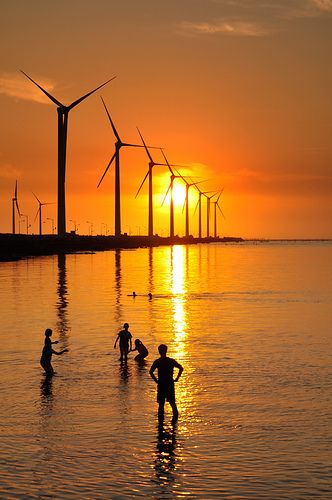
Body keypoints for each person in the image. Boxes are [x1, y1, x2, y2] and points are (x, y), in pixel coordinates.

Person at [149, 344, 183, 421]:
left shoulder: (157, 362)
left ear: (159, 351)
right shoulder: (171, 361)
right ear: (166, 351)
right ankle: (175, 426)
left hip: (161, 384)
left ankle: (160, 426)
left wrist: (156, 381)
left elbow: (151, 372)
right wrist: (177, 378)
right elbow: (181, 368)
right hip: (169, 384)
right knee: (173, 404)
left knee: (161, 405)